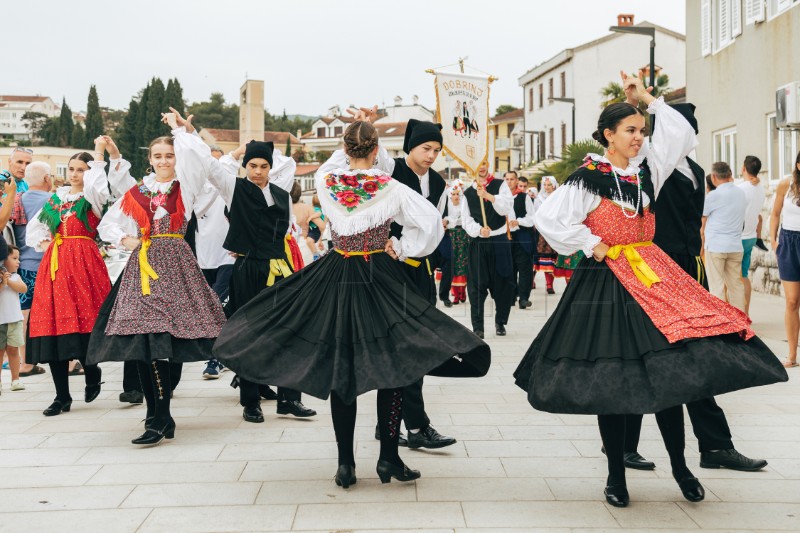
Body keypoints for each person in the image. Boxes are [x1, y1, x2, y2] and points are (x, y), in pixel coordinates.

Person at [513, 73, 787, 508]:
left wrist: (648, 100)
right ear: (609, 135)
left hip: (653, 275)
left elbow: (680, 134)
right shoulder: (587, 177)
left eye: (641, 131)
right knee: (613, 379)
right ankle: (616, 476)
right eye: (630, 131)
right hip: (607, 283)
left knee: (671, 372)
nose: (639, 138)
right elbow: (550, 218)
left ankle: (681, 467)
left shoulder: (647, 170)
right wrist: (592, 244)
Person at [213, 120, 490, 488]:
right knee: (392, 366)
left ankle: (345, 465)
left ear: (345, 151)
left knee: (342, 370)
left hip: (338, 273)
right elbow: (430, 225)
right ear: (376, 151)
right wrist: (403, 247)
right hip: (379, 274)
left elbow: (329, 166)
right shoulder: (389, 185)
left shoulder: (328, 182)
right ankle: (388, 458)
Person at [619, 103, 769, 473]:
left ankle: (714, 447)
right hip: (652, 273)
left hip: (687, 271)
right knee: (650, 358)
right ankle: (623, 445)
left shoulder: (698, 170)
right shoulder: (650, 166)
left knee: (692, 358)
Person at [87, 114, 227, 446]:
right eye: (158, 156)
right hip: (143, 269)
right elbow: (108, 225)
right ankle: (158, 415)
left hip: (177, 266)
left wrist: (181, 130)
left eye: (170, 155)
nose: (164, 161)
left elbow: (199, 158)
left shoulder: (188, 187)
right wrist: (125, 241)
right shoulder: (137, 192)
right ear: (149, 160)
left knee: (162, 345)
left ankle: (160, 416)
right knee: (146, 345)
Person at [322, 110, 456, 450]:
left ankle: (395, 425)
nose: (431, 155)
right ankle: (412, 426)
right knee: (396, 350)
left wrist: (416, 247)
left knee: (413, 349)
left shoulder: (438, 183)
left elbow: (434, 221)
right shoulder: (390, 171)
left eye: (436, 150)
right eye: (426, 147)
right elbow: (360, 158)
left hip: (418, 269)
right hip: (386, 269)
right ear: (409, 146)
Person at [172, 111, 315, 422]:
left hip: (279, 267)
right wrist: (189, 131)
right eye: (252, 165)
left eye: (263, 166)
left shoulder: (280, 194)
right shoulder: (233, 187)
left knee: (289, 330)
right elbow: (208, 164)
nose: (258, 171)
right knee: (250, 333)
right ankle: (250, 400)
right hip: (248, 268)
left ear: (270, 167)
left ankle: (290, 398)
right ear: (244, 166)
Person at [25, 147, 112, 416]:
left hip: (85, 262)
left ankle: (92, 371)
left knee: (87, 320)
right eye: (72, 169)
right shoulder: (56, 199)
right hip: (56, 263)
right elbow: (37, 226)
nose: (75, 174)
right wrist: (45, 241)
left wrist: (98, 158)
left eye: (81, 170)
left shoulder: (94, 196)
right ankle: (62, 396)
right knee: (53, 324)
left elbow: (98, 188)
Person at [462, 161, 515, 337]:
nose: (481, 167)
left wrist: (489, 196)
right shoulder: (467, 192)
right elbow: (466, 219)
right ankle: (478, 327)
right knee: (476, 285)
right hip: (479, 243)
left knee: (503, 282)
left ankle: (500, 322)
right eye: (478, 164)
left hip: (499, 241)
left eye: (484, 163)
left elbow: (506, 208)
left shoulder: (500, 185)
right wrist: (478, 230)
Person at [197, 146, 235, 380]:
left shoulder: (229, 190)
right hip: (202, 258)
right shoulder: (197, 192)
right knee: (210, 309)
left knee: (218, 305)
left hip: (227, 258)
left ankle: (216, 359)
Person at [13, 162, 53, 378]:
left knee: (24, 315)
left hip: (23, 266)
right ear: (47, 178)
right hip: (49, 265)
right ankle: (69, 362)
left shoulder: (16, 201)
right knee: (58, 312)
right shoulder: (53, 201)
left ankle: (26, 363)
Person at [702, 162, 747, 312]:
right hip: (735, 246)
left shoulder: (713, 196)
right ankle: (740, 323)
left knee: (716, 286)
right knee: (736, 285)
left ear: (714, 177)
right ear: (730, 173)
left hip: (716, 247)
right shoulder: (741, 193)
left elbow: (702, 220)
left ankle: (722, 324)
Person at [770, 150, 800, 368]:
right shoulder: (785, 184)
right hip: (788, 242)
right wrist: (773, 240)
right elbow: (775, 213)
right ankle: (791, 355)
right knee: (792, 301)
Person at [738, 156, 766, 315]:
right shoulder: (760, 188)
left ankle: (737, 314)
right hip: (751, 237)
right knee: (744, 275)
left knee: (734, 279)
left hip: (738, 237)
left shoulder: (741, 188)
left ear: (743, 168)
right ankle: (746, 313)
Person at [504, 170, 535, 309]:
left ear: (517, 181)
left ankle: (523, 298)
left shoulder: (524, 197)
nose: (509, 181)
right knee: (509, 269)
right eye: (507, 179)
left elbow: (532, 218)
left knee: (524, 269)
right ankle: (510, 297)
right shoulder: (500, 198)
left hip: (522, 237)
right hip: (506, 238)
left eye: (512, 179)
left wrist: (519, 221)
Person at [0, 245, 26, 393]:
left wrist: (9, 281)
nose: (18, 262)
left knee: (13, 350)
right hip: (1, 321)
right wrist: (3, 282)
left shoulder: (16, 277)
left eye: (18, 259)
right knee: (0, 350)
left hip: (14, 320)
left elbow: (23, 289)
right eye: (14, 258)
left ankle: (15, 379)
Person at [533, 176, 559, 294]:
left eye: (549, 185)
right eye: (545, 185)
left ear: (554, 185)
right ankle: (537, 282)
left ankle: (550, 284)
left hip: (554, 230)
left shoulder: (558, 197)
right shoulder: (539, 198)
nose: (547, 187)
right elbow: (535, 213)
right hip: (542, 231)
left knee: (552, 259)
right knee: (540, 257)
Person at [445, 180, 469, 304]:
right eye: (453, 194)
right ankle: (454, 293)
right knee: (453, 264)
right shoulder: (447, 207)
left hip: (464, 237)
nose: (455, 197)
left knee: (463, 264)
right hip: (451, 236)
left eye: (458, 194)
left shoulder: (464, 206)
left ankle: (462, 291)